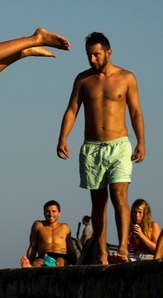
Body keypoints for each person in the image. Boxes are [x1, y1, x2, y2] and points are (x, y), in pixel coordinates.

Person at [56, 31, 146, 264]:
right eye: (89, 55)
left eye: (96, 55)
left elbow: (135, 111)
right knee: (98, 202)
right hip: (92, 148)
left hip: (119, 146)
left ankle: (123, 250)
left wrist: (141, 141)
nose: (92, 60)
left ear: (108, 52)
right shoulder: (83, 79)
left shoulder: (127, 77)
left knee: (119, 195)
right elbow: (72, 110)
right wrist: (63, 137)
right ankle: (104, 254)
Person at [20, 200, 70, 268]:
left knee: (60, 263)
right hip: (43, 256)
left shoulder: (65, 227)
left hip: (60, 256)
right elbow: (32, 246)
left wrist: (75, 262)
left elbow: (70, 248)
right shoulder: (38, 225)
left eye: (54, 211)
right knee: (36, 264)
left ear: (59, 213)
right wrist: (29, 261)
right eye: (47, 211)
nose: (50, 214)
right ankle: (29, 266)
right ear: (44, 212)